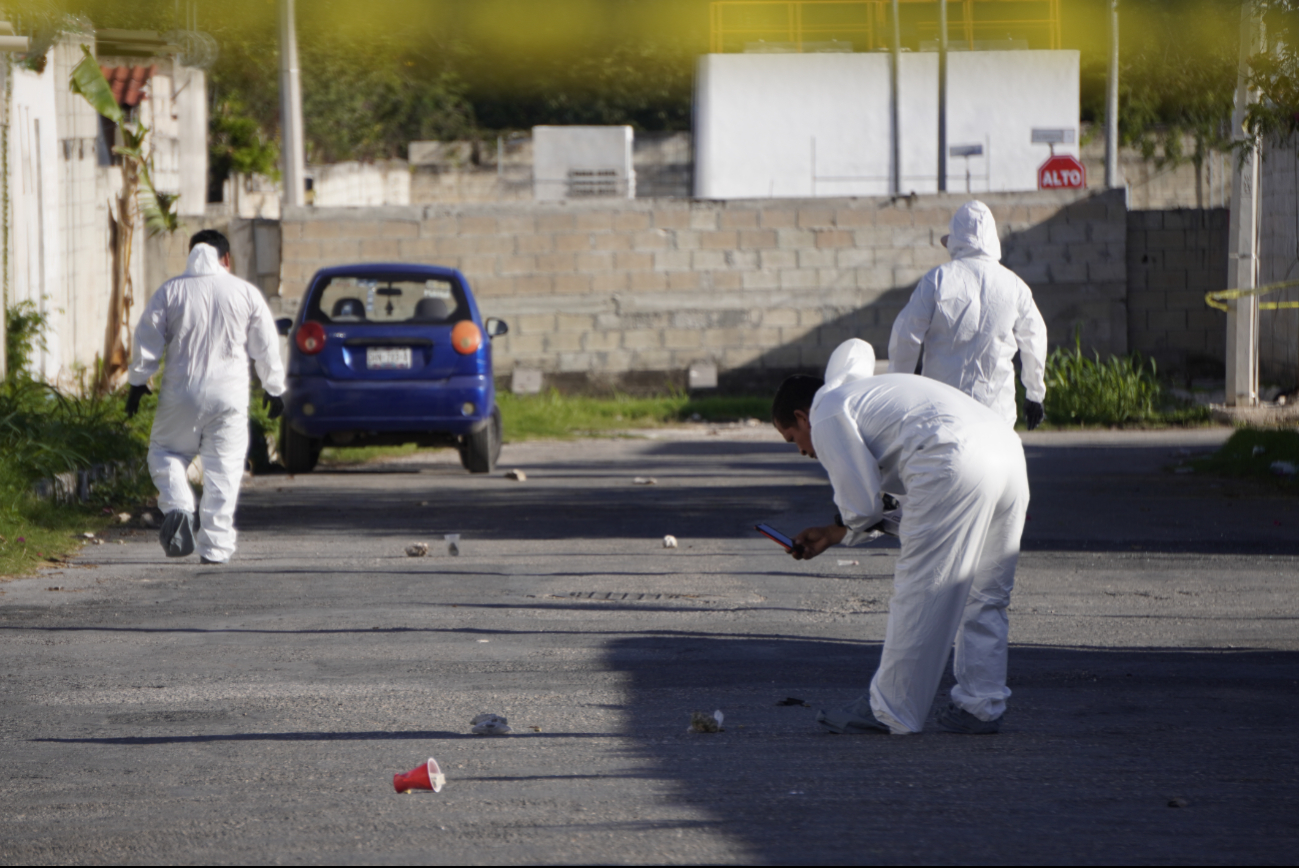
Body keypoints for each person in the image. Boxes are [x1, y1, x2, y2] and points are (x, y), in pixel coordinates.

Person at [773, 339, 1029, 735]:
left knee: (921, 588)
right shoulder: (871, 397)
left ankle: (889, 710)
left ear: (801, 417)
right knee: (987, 592)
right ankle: (981, 707)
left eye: (793, 439)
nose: (803, 451)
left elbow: (863, 507)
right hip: (1007, 452)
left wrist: (847, 525)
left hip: (952, 457)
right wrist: (834, 533)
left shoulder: (825, 411)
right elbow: (909, 509)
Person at [124, 230, 286, 564]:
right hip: (229, 396)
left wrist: (139, 381)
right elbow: (266, 345)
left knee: (164, 451)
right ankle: (215, 547)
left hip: (181, 394)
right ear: (226, 259)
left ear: (191, 253)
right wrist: (274, 388)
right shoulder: (245, 292)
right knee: (224, 469)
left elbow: (147, 334)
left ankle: (180, 504)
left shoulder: (170, 291)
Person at [887, 200, 1049, 429]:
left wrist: (898, 391)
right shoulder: (1015, 286)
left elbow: (906, 336)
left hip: (942, 415)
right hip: (997, 417)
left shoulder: (937, 280)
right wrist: (1035, 393)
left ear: (955, 240)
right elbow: (1035, 337)